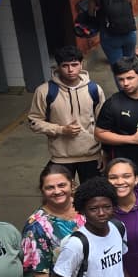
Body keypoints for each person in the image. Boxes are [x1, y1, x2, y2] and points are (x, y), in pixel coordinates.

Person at [27, 46, 104, 181]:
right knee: (61, 196)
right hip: (61, 157)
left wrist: (105, 153)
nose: (70, 70)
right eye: (65, 66)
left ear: (81, 64)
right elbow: (34, 121)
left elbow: (103, 123)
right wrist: (60, 129)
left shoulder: (94, 89)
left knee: (92, 197)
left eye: (74, 65)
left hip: (92, 155)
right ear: (57, 67)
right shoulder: (45, 91)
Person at [94, 57, 138, 197]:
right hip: (127, 166)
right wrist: (131, 139)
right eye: (121, 79)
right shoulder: (112, 104)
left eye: (130, 78)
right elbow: (99, 133)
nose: (125, 83)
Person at [89, 0, 138, 76]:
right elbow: (133, 5)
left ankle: (124, 93)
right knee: (130, 65)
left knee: (119, 70)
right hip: (129, 33)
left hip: (109, 35)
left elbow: (91, 13)